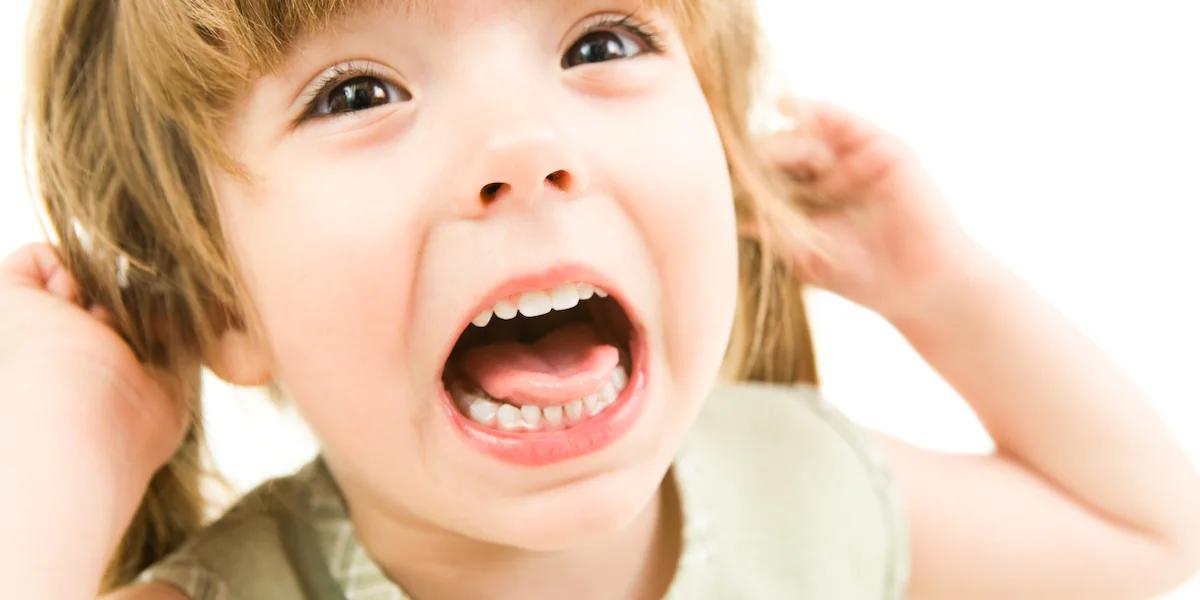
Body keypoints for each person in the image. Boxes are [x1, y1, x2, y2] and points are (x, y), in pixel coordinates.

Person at [3, 0, 1199, 598]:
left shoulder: (796, 489)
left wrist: (945, 289)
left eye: (600, 42)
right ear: (220, 301)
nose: (524, 148)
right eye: (356, 93)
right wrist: (68, 451)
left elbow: (1148, 539)